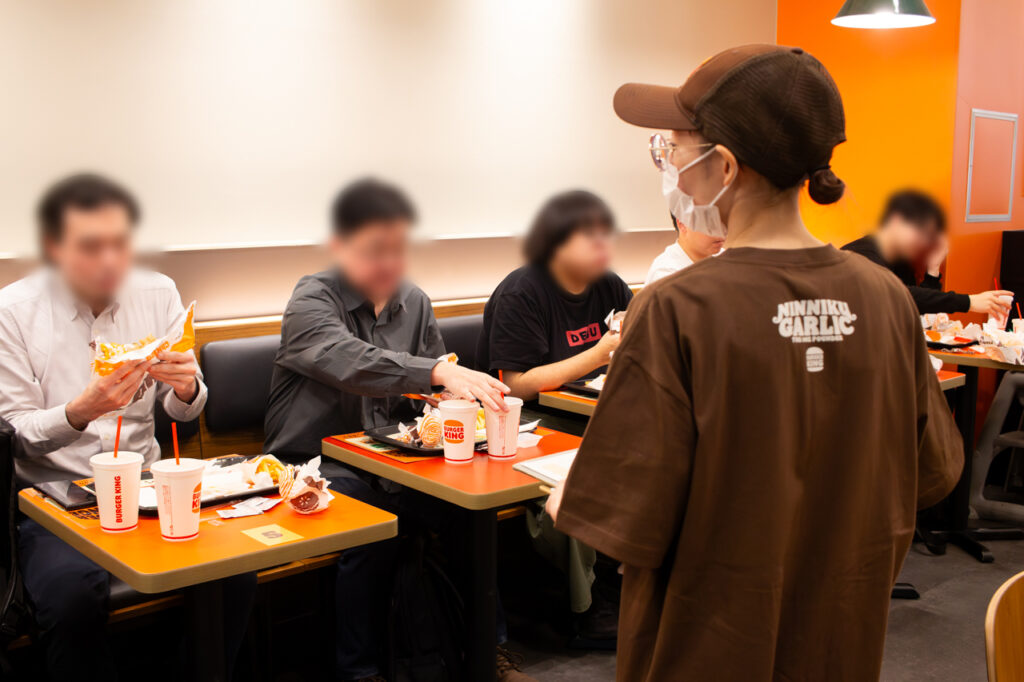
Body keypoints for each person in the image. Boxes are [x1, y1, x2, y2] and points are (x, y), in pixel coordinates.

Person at [546, 45, 963, 681]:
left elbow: (623, 519)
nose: (669, 163)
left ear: (725, 166)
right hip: (839, 643)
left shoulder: (676, 307)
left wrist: (567, 500)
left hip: (706, 647)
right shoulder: (885, 298)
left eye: (675, 147)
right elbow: (929, 472)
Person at [263, 178, 532, 682]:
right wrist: (436, 372)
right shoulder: (311, 298)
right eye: (374, 250)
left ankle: (487, 650)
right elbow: (348, 360)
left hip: (395, 460)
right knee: (374, 523)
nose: (389, 262)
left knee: (469, 511)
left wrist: (450, 398)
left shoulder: (415, 301)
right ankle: (359, 671)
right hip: (310, 465)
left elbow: (429, 388)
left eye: (398, 249)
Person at [0, 173, 254, 681]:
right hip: (57, 503)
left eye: (120, 244)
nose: (110, 261)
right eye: (91, 246)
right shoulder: (13, 312)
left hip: (150, 490)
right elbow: (16, 436)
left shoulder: (158, 293)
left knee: (235, 572)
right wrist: (80, 411)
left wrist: (187, 388)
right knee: (70, 598)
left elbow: (185, 411)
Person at [477, 190, 633, 402]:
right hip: (533, 413)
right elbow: (514, 387)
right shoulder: (520, 293)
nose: (601, 243)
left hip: (600, 405)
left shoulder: (609, 283)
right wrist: (598, 355)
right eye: (588, 234)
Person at [842, 190, 1012, 317]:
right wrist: (969, 302)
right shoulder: (862, 252)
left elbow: (916, 306)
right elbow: (896, 295)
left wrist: (933, 270)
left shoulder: (900, 259)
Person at [644, 213, 724, 285]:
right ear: (682, 225)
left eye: (725, 224)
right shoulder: (666, 274)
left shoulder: (724, 257)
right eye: (710, 224)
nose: (722, 232)